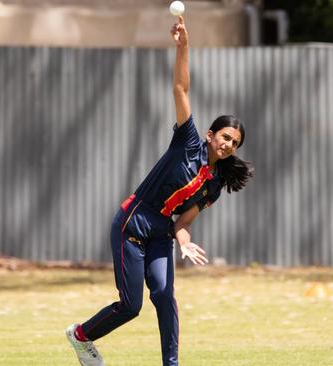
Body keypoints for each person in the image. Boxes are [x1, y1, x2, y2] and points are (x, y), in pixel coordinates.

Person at [66, 16, 254, 366]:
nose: (229, 145)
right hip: (131, 226)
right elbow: (180, 89)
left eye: (235, 143)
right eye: (226, 137)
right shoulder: (187, 142)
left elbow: (184, 221)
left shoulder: (213, 185)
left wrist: (184, 242)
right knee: (131, 306)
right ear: (211, 135)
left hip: (161, 234)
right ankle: (81, 336)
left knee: (166, 295)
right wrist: (183, 46)